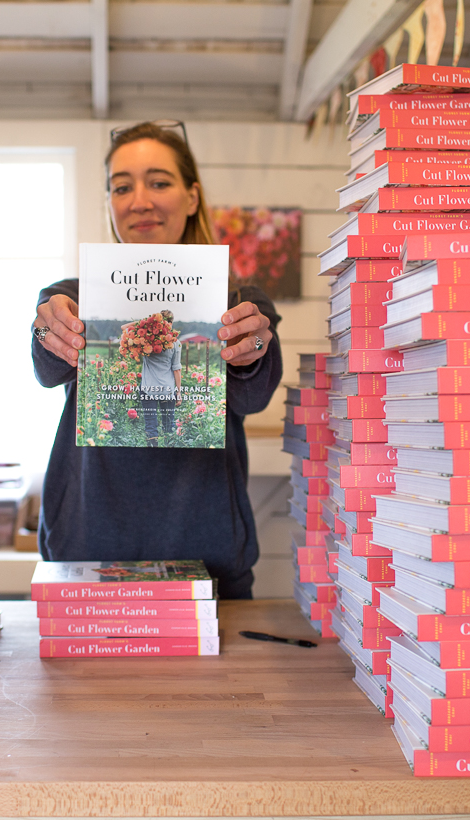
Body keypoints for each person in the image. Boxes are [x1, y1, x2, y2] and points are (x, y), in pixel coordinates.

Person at [30, 120, 282, 599]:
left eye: (159, 182)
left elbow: (254, 395)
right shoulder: (73, 297)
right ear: (109, 201)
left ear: (191, 197)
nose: (139, 200)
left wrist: (250, 346)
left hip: (209, 561)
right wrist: (48, 329)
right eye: (121, 186)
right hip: (86, 555)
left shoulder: (239, 301)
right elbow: (46, 370)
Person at [134, 309, 181, 446]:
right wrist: (178, 392)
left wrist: (143, 324)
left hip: (148, 389)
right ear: (171, 323)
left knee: (150, 426)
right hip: (167, 390)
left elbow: (123, 328)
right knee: (168, 426)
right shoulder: (175, 343)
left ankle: (152, 455)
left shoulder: (145, 340)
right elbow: (176, 369)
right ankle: (169, 456)